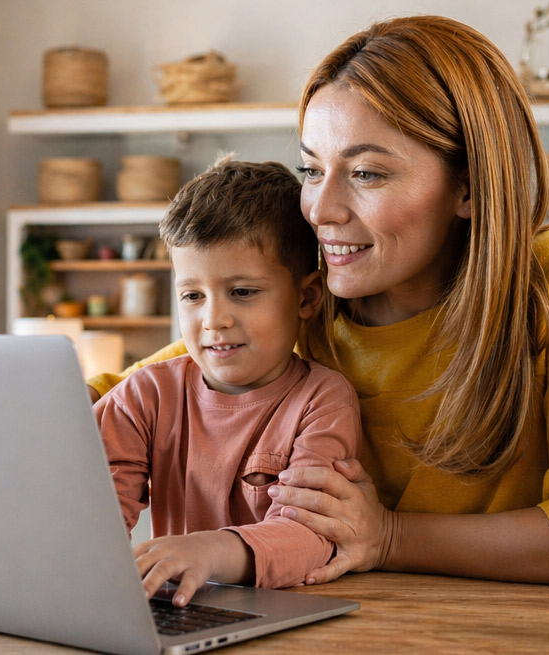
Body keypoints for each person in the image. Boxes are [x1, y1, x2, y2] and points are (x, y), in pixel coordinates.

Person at [88, 15, 549, 587]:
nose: (320, 210)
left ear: (469, 187)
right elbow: (136, 391)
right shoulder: (302, 305)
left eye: (367, 174)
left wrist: (391, 537)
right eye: (312, 169)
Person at [94, 157, 361, 607]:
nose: (213, 320)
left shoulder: (323, 399)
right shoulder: (143, 396)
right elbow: (93, 516)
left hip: (284, 615)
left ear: (306, 297)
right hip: (177, 612)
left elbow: (311, 533)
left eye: (242, 292)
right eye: (193, 296)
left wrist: (209, 550)